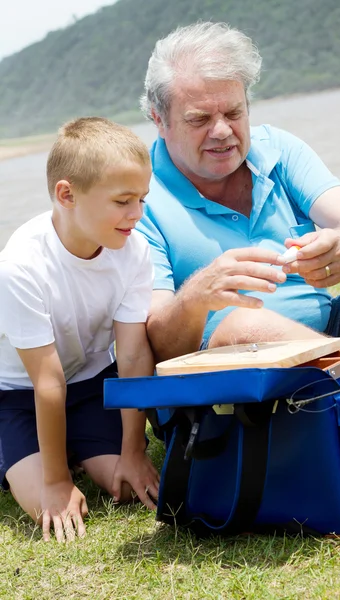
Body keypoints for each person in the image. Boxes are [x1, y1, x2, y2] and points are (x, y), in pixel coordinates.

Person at [136, 22, 340, 374]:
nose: (222, 131)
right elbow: (158, 347)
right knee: (245, 326)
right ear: (159, 119)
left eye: (233, 113)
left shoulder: (277, 149)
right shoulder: (137, 197)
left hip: (332, 336)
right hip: (233, 378)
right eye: (199, 119)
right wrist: (198, 295)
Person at [0, 117, 159, 543]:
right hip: (16, 397)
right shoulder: (20, 265)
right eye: (124, 201)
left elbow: (131, 355)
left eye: (142, 199)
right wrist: (54, 483)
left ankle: (76, 447)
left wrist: (134, 450)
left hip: (90, 385)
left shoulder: (134, 251)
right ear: (66, 194)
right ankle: (44, 458)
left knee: (124, 489)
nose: (137, 215)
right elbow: (47, 382)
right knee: (48, 511)